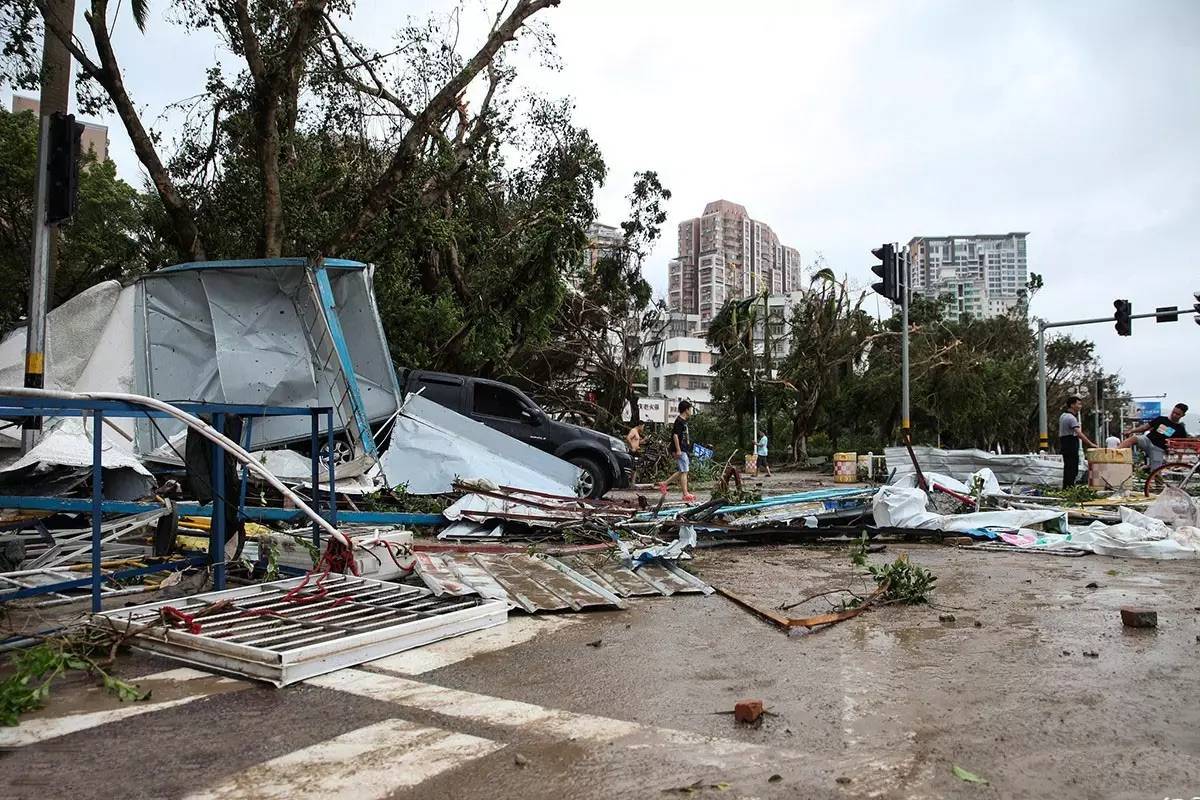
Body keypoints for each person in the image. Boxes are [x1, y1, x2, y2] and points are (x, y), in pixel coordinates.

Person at [1119, 402, 1189, 472]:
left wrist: (1179, 459)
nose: (1174, 415)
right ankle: (1114, 452)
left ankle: (1158, 482)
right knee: (1132, 439)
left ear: (1183, 415)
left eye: (1177, 414)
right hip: (1147, 440)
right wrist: (1131, 431)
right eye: (1173, 412)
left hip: (1159, 449)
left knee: (1156, 472)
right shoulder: (1161, 419)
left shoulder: (1180, 429)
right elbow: (1145, 427)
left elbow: (1181, 446)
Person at [658, 400, 696, 501]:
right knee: (684, 471)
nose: (691, 411)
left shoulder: (683, 421)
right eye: (690, 409)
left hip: (683, 449)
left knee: (682, 470)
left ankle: (664, 483)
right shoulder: (679, 421)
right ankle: (685, 494)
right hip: (680, 449)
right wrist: (678, 450)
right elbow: (675, 435)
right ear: (686, 410)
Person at [1059, 396, 1098, 488]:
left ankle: (1067, 487)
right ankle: (1069, 487)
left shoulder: (1063, 416)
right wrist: (1090, 444)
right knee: (1072, 468)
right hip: (1070, 443)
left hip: (1064, 442)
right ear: (1072, 405)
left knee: (1068, 467)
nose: (1080, 406)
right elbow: (1079, 433)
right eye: (1078, 404)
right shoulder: (1071, 418)